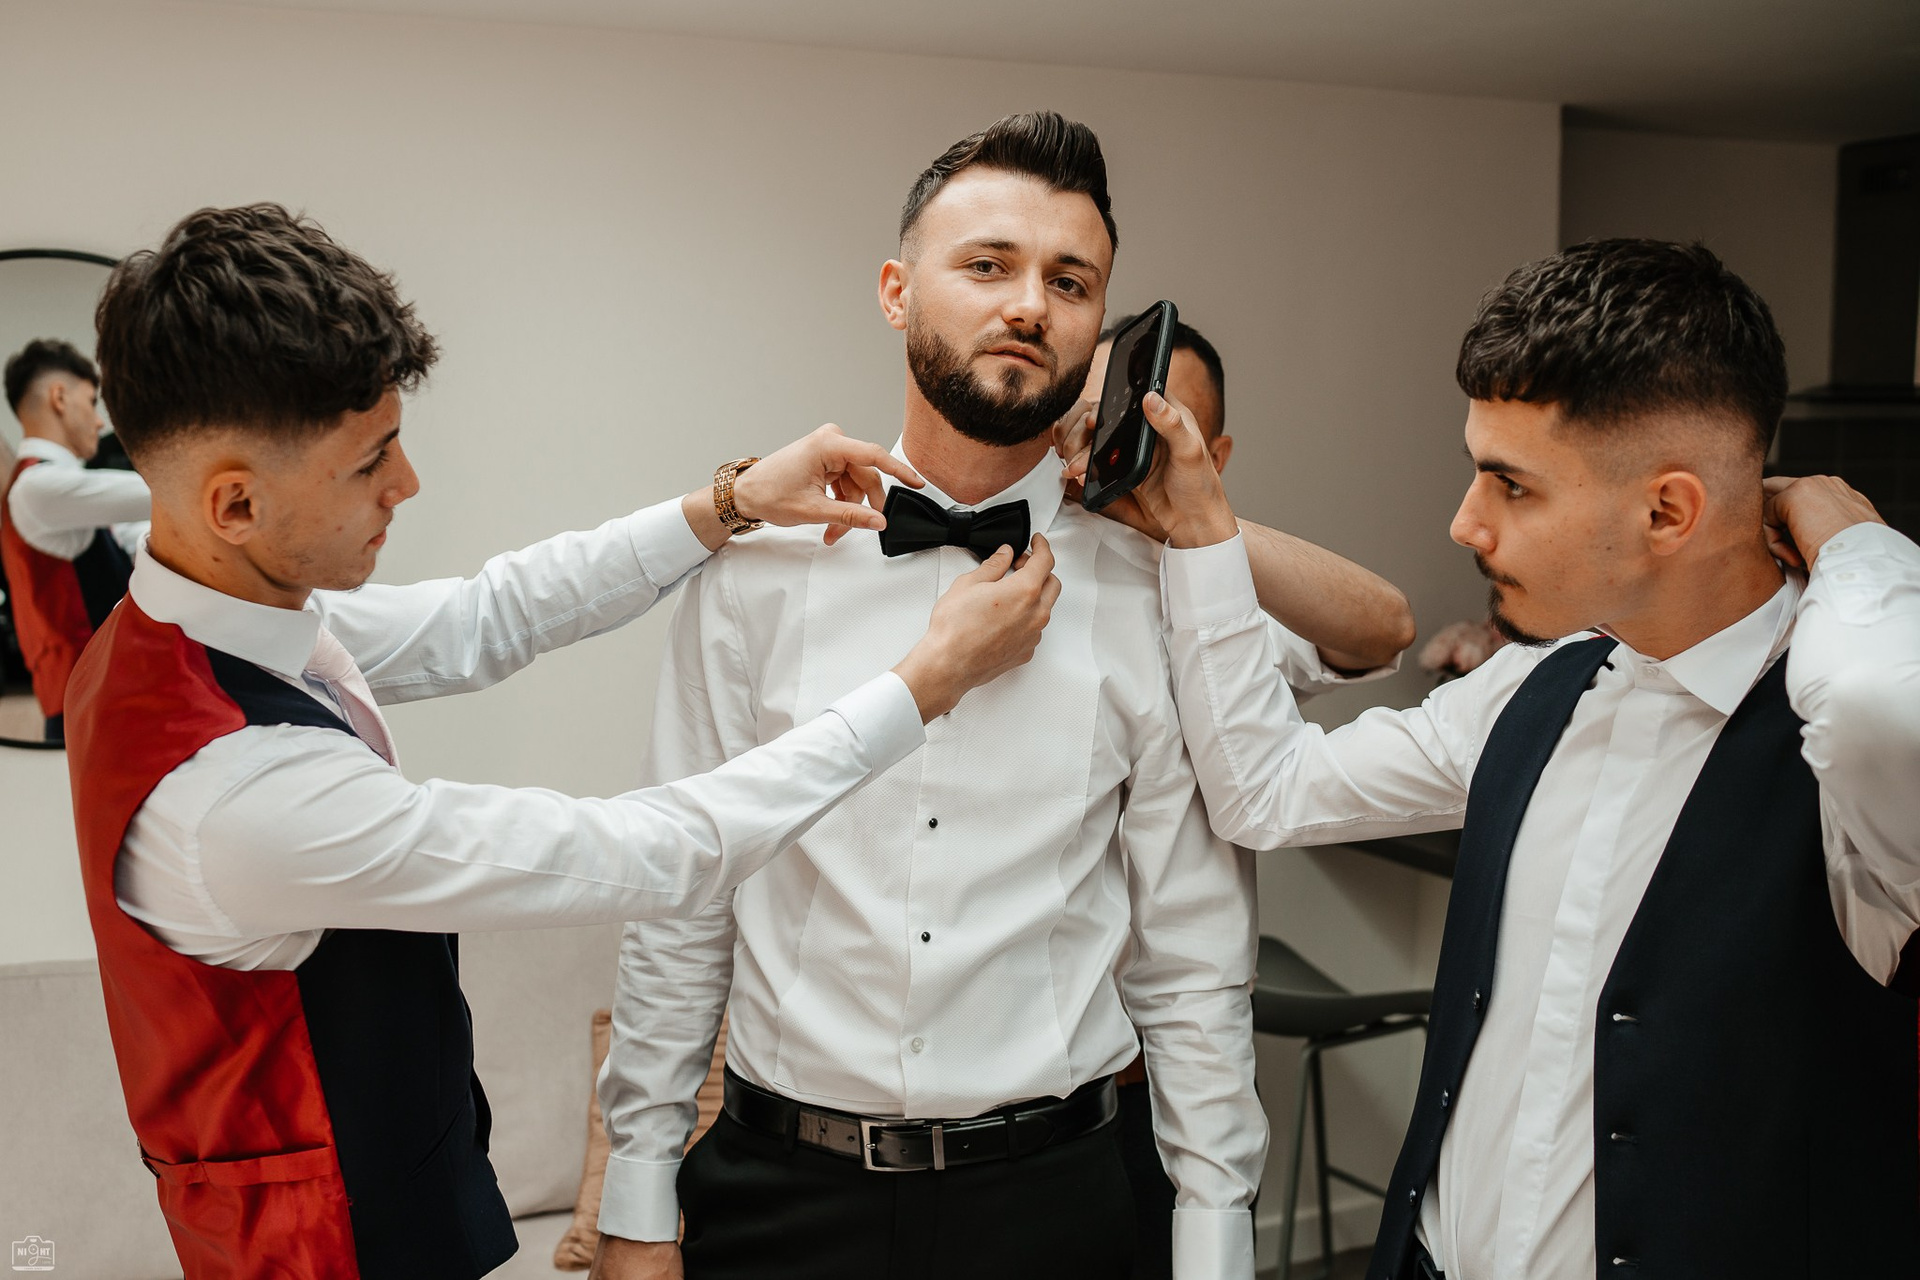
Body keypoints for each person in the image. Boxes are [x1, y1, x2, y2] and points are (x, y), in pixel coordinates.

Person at [66, 202, 1059, 1280]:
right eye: (370, 462)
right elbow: (656, 850)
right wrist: (923, 686)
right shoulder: (239, 798)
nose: (407, 484)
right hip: (326, 1254)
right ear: (234, 505)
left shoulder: (185, 620)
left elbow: (486, 617)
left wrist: (728, 502)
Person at [1085, 238, 1920, 1278]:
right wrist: (1200, 524)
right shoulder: (1534, 683)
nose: (1464, 522)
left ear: (1668, 511)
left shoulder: (1847, 768)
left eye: (1510, 486)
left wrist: (1852, 541)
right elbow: (1266, 790)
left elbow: (1882, 702)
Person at [593, 112, 1264, 1280]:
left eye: (1069, 281)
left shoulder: (1160, 595)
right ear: (898, 292)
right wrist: (639, 1193)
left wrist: (1214, 1240)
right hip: (779, 1194)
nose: (1030, 306)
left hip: (1060, 1201)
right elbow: (683, 891)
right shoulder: (754, 575)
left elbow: (1192, 953)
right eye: (989, 265)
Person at [1076, 314, 1414, 1278]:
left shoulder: (1217, 599)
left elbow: (1382, 625)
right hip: (1027, 1096)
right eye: (1093, 420)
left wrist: (1187, 516)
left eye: (1150, 428)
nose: (1107, 448)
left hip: (1172, 1084)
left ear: (1210, 453)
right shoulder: (1007, 576)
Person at [1, 338, 150, 740]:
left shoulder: (65, 496)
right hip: (87, 705)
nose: (100, 422)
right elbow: (159, 494)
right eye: (92, 402)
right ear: (60, 398)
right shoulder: (37, 487)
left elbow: (132, 534)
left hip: (99, 697)